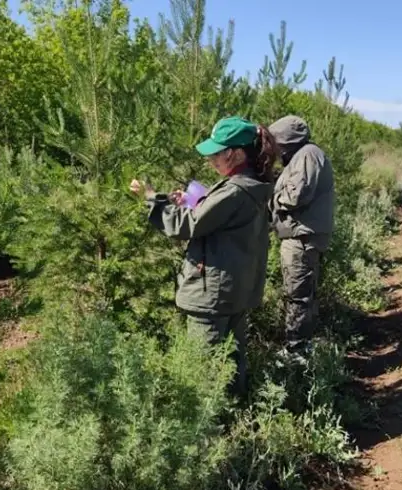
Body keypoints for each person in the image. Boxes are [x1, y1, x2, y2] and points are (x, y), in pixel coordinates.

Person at [130, 116, 278, 397]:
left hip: (212, 295)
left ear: (235, 153)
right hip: (236, 290)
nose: (210, 160)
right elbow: (220, 219)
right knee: (232, 363)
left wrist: (150, 198)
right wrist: (196, 202)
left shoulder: (234, 191)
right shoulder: (252, 185)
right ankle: (236, 415)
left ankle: (207, 423)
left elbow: (185, 226)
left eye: (215, 154)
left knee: (202, 370)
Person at [268, 115, 335, 360]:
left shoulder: (307, 155)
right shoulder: (303, 155)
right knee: (303, 292)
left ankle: (296, 351)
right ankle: (303, 346)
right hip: (302, 236)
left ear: (285, 141)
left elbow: (296, 196)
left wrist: (269, 199)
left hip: (301, 238)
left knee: (297, 294)